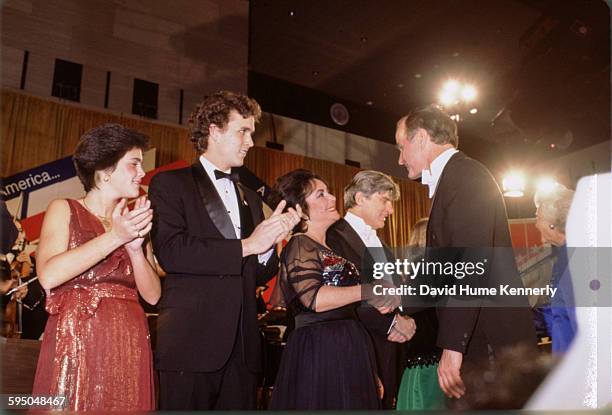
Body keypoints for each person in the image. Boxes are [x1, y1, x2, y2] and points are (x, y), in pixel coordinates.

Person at [148, 91, 301, 410]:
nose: (250, 141)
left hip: (243, 352)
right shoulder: (170, 183)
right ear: (214, 131)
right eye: (242, 131)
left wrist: (269, 242)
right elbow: (172, 252)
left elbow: (258, 272)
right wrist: (249, 244)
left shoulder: (248, 195)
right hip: (190, 345)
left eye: (252, 133)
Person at [395, 104, 536, 401]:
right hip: (481, 335)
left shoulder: (465, 176)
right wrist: (395, 301)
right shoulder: (454, 179)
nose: (399, 158)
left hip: (489, 339)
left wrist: (453, 345)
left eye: (401, 147)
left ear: (420, 138)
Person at [32, 123, 160, 411]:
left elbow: (153, 296)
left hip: (129, 338)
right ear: (105, 170)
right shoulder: (64, 208)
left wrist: (136, 250)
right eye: (134, 164)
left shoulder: (134, 220)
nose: (142, 173)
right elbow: (49, 275)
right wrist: (116, 236)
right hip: (76, 337)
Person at [269, 169, 398, 410]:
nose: (332, 198)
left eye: (328, 192)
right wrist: (369, 290)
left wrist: (367, 367)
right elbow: (313, 298)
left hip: (348, 348)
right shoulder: (300, 244)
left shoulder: (327, 248)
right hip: (321, 351)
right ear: (300, 209)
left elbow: (347, 310)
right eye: (320, 195)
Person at [326, 169, 416, 409]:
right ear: (360, 198)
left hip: (388, 350)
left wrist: (404, 317)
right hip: (354, 350)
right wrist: (392, 324)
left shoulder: (383, 245)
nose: (391, 210)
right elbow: (341, 298)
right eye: (385, 200)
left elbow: (394, 294)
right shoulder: (332, 237)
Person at [534, 183, 576, 353]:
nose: (535, 223)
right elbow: (556, 309)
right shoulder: (564, 256)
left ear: (552, 224)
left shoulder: (573, 259)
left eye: (538, 217)